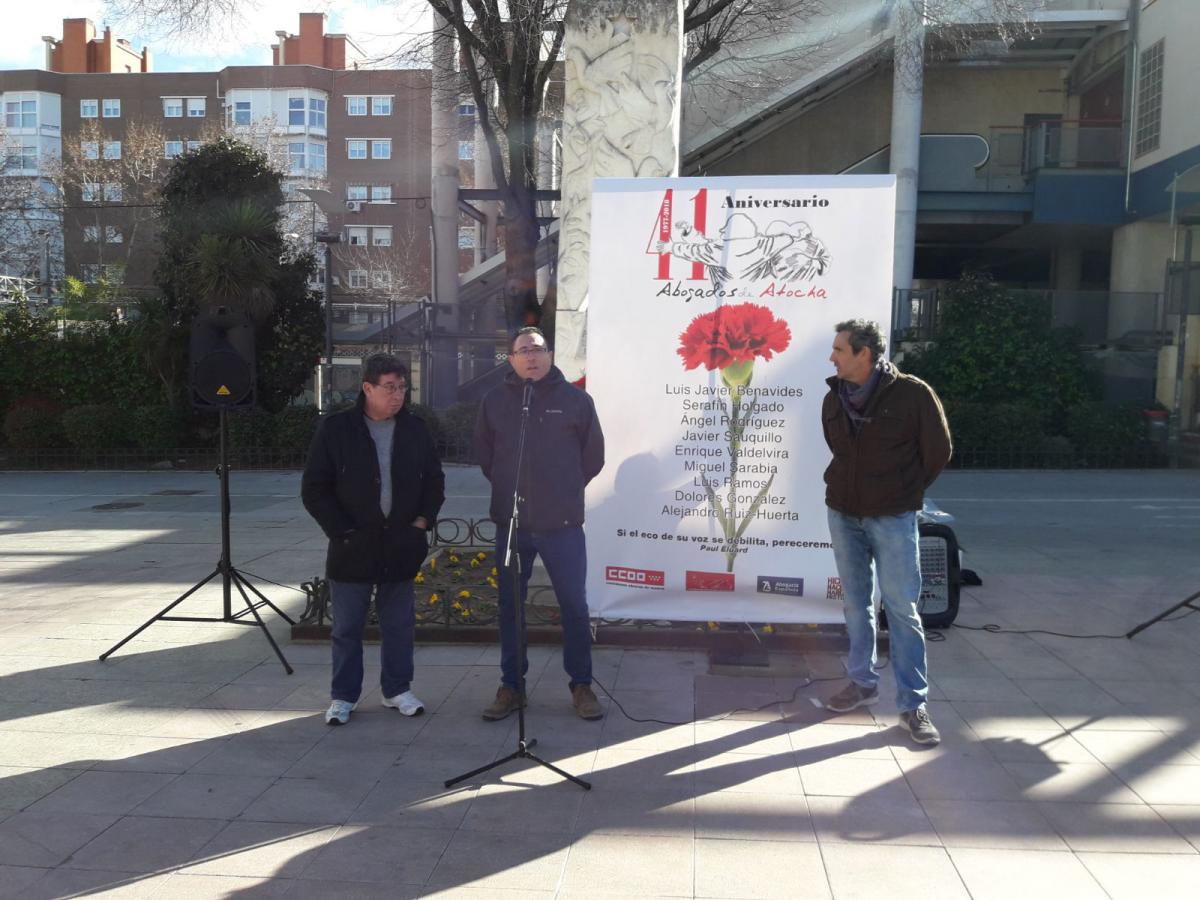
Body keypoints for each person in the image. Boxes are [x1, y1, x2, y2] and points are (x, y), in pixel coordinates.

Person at [821, 319, 952, 745]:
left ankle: (914, 704)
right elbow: (839, 452)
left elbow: (938, 451)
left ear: (864, 354)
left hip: (893, 517)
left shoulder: (913, 394)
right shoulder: (833, 398)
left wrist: (902, 492)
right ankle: (861, 683)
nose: (832, 357)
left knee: (901, 609)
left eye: (840, 349)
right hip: (843, 512)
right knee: (855, 604)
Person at [302, 353, 445, 726]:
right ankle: (343, 696)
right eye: (389, 387)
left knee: (398, 625)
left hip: (400, 543)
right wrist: (341, 531)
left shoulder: (415, 428)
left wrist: (421, 522)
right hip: (353, 546)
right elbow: (315, 489)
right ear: (367, 387)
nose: (397, 395)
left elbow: (434, 480)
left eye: (402, 387)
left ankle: (397, 689)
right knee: (347, 628)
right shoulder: (336, 429)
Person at [475, 326, 606, 721]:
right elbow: (486, 457)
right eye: (523, 350)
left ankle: (581, 684)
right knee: (509, 606)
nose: (531, 356)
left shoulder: (576, 401)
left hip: (561, 524)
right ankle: (512, 686)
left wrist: (562, 491)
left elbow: (593, 457)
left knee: (573, 605)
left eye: (538, 349)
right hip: (512, 523)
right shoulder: (494, 401)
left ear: (549, 355)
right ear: (511, 359)